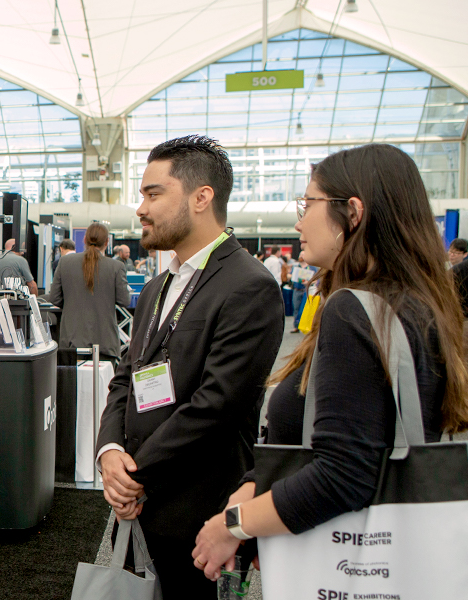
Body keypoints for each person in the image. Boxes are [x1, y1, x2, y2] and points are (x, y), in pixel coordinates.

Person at [191, 143, 468, 583]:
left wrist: (233, 524)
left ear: (352, 213)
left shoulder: (354, 310)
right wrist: (252, 489)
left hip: (348, 563)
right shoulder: (421, 305)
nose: (300, 220)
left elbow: (343, 475)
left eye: (309, 203)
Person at [95, 135, 284, 598]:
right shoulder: (159, 285)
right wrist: (109, 453)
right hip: (140, 508)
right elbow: (127, 376)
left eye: (153, 193)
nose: (140, 207)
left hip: (199, 518)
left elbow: (216, 406)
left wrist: (135, 476)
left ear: (202, 198)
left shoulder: (249, 286)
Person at [43, 222, 130, 363]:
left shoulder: (65, 262)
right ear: (107, 242)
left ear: (84, 240)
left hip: (72, 341)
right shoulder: (116, 267)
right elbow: (124, 300)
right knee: (102, 384)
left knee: (72, 384)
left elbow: (54, 298)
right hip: (104, 343)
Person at [289, 258, 312, 333]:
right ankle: (296, 326)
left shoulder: (311, 267)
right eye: (300, 255)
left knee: (304, 309)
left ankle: (305, 325)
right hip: (296, 290)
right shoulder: (296, 267)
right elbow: (289, 275)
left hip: (305, 290)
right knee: (296, 308)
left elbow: (316, 279)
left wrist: (309, 282)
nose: (301, 256)